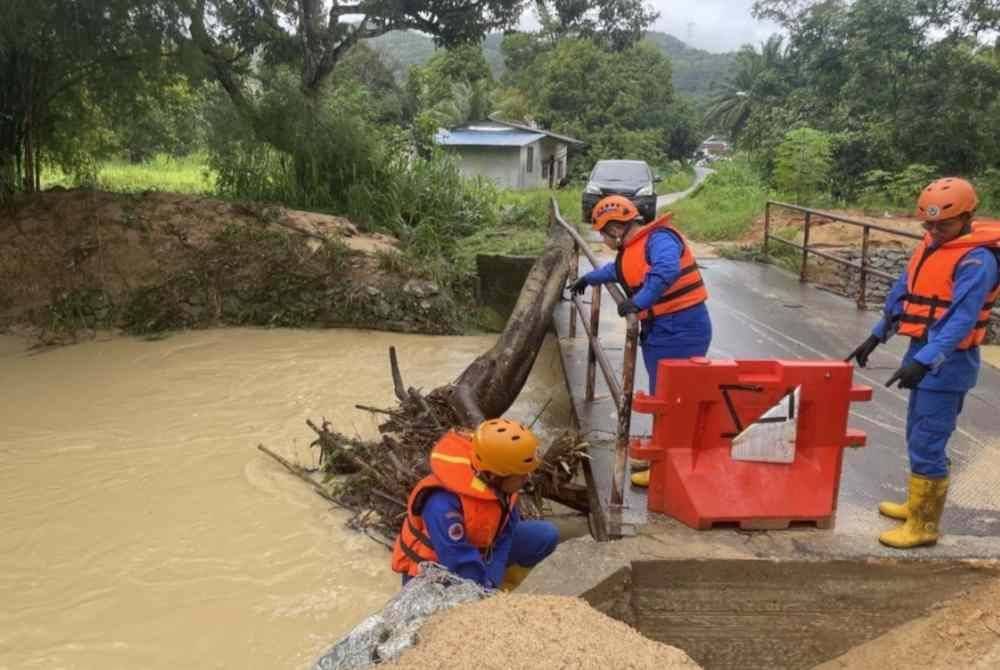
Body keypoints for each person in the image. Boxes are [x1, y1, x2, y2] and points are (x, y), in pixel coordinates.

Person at [846, 177, 1000, 549]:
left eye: (942, 225)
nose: (934, 231)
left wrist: (926, 360)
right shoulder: (930, 246)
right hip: (922, 349)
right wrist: (876, 335)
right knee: (917, 433)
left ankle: (924, 524)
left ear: (967, 217)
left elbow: (961, 319)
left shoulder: (977, 260)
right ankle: (916, 505)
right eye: (928, 225)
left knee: (929, 439)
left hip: (949, 362)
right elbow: (904, 294)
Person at [569, 195, 713, 487]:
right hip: (661, 329)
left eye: (602, 233)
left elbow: (666, 270)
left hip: (682, 328)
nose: (602, 239)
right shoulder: (635, 248)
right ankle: (660, 454)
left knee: (673, 399)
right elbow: (618, 271)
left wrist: (639, 301)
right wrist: (589, 279)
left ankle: (668, 469)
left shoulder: (660, 239)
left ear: (615, 228)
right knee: (665, 395)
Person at [391, 418, 558, 590]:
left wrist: (492, 580)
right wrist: (481, 590)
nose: (527, 479)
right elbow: (458, 561)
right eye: (522, 475)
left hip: (480, 551)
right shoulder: (442, 505)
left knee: (546, 535)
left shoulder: (502, 485)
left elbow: (505, 536)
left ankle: (505, 586)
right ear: (494, 476)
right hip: (437, 567)